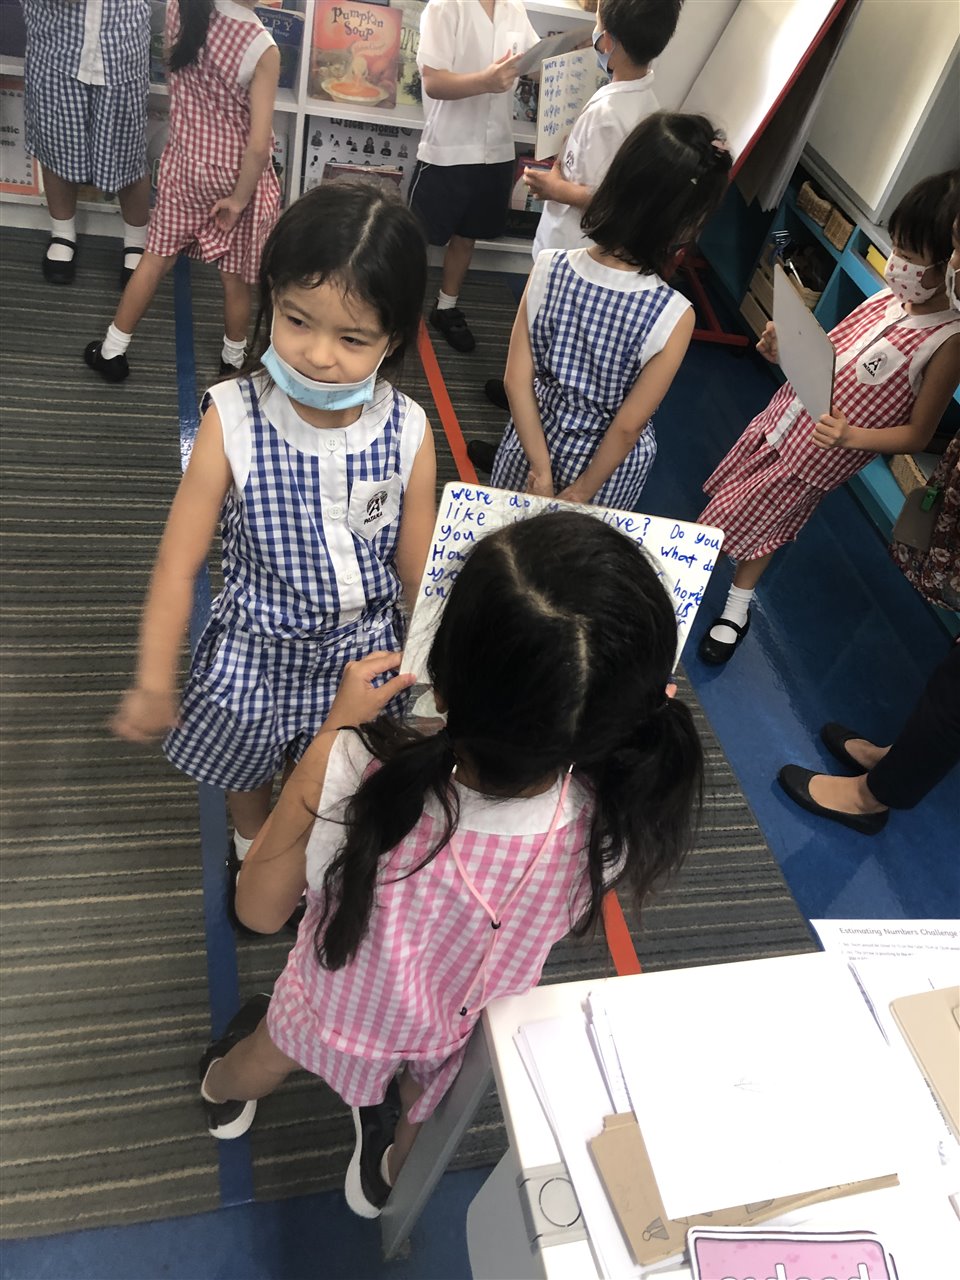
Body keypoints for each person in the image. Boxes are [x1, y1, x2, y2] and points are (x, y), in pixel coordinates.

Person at [194, 510, 704, 1218]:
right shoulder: (610, 822)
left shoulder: (353, 765)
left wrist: (336, 730)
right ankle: (384, 1182)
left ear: (441, 680)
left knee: (266, 1051)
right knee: (420, 1110)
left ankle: (220, 1091)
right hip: (453, 1026)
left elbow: (258, 909)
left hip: (334, 1008)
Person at [109, 182, 438, 924]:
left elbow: (417, 569)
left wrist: (438, 668)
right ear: (270, 301)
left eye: (352, 339)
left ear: (393, 338)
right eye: (296, 320)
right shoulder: (232, 417)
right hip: (255, 650)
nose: (318, 356)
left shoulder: (409, 429)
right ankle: (251, 844)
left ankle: (317, 850)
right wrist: (155, 677)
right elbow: (178, 563)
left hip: (362, 650)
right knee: (245, 766)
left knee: (346, 770)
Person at [698, 169, 960, 665]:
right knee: (736, 498)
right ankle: (695, 559)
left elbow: (918, 434)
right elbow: (833, 351)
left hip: (815, 460)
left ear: (951, 264)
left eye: (910, 254)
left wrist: (849, 436)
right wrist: (784, 349)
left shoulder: (947, 340)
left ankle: (734, 605)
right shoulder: (892, 298)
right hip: (783, 418)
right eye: (896, 246)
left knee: (762, 524)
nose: (896, 262)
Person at [487, 112, 731, 509]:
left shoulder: (548, 267)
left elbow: (516, 381)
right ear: (687, 224)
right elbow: (628, 426)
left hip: (534, 441)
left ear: (616, 181)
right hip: (604, 474)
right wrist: (581, 491)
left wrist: (541, 468)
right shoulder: (673, 315)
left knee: (507, 536)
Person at [477, 0, 683, 418]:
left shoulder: (610, 114)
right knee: (546, 334)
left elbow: (612, 196)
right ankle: (521, 393)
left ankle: (525, 408)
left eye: (597, 25)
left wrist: (555, 187)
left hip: (573, 245)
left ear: (608, 43)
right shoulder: (643, 101)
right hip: (581, 244)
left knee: (545, 335)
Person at [84, 0, 282, 383]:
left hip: (185, 160)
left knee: (155, 258)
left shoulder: (181, 6)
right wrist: (239, 201)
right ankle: (232, 360)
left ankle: (112, 350)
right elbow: (258, 147)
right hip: (234, 173)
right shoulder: (261, 45)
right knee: (234, 278)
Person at [409, 0, 538, 353]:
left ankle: (446, 307)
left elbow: (531, 62)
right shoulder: (446, 7)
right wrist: (485, 81)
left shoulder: (515, 9)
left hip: (496, 148)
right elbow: (433, 82)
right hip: (447, 148)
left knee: (467, 236)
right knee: (416, 238)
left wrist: (567, 56)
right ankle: (397, 306)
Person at [21, 0, 152, 287]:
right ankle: (62, 233)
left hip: (121, 46)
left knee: (128, 151)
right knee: (55, 144)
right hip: (55, 43)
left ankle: (137, 241)